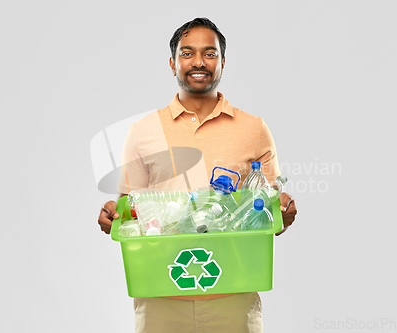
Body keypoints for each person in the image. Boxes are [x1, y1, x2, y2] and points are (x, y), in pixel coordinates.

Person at [97, 17, 297, 332]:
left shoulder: (254, 130)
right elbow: (129, 208)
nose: (199, 62)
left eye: (210, 53)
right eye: (187, 53)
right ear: (172, 63)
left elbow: (267, 209)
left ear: (223, 62)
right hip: (161, 291)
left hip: (233, 292)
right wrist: (112, 214)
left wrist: (283, 212)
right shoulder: (143, 131)